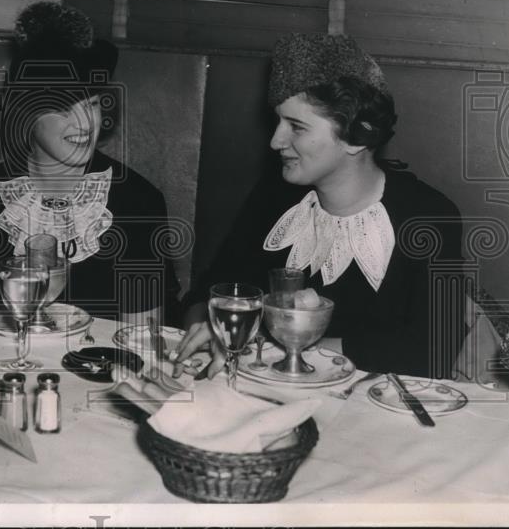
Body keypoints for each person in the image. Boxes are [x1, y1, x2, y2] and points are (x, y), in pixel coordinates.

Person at [174, 32, 466, 380]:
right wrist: (208, 332)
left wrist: (279, 348)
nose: (275, 140)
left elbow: (433, 352)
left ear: (358, 136)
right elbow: (209, 293)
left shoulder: (429, 215)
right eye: (278, 121)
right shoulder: (275, 198)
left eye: (296, 126)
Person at [0, 2, 180, 325]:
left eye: (91, 104)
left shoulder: (138, 201)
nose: (85, 124)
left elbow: (142, 338)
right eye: (63, 110)